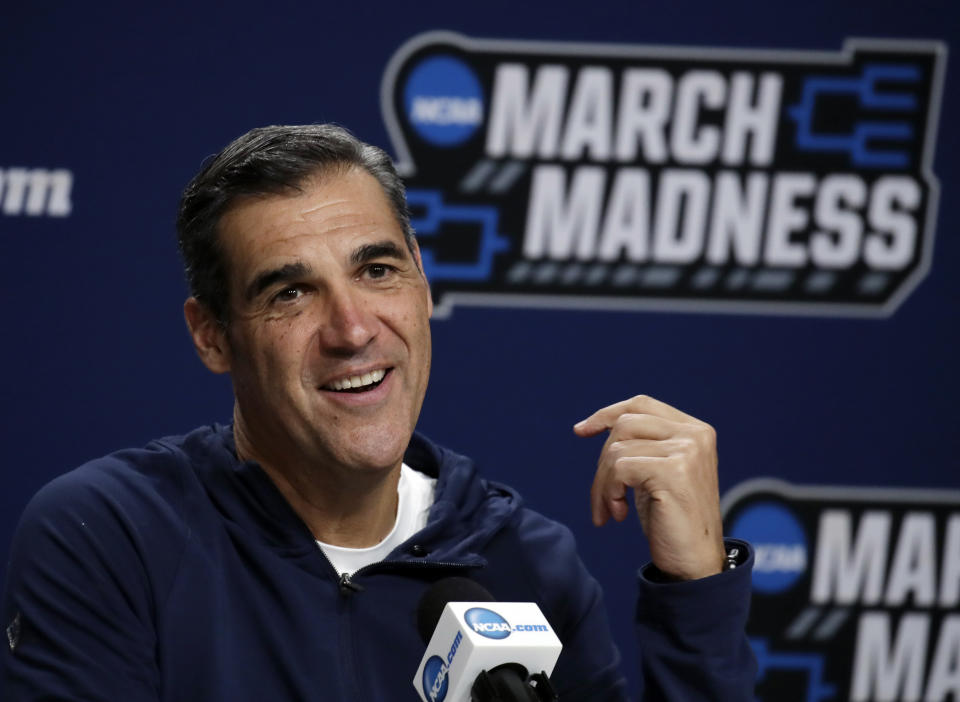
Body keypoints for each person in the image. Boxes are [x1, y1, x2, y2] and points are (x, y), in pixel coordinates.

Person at [0, 124, 756, 700]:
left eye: (378, 270)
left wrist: (696, 596)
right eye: (289, 293)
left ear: (423, 286)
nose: (353, 329)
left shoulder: (526, 567)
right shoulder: (109, 537)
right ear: (211, 337)